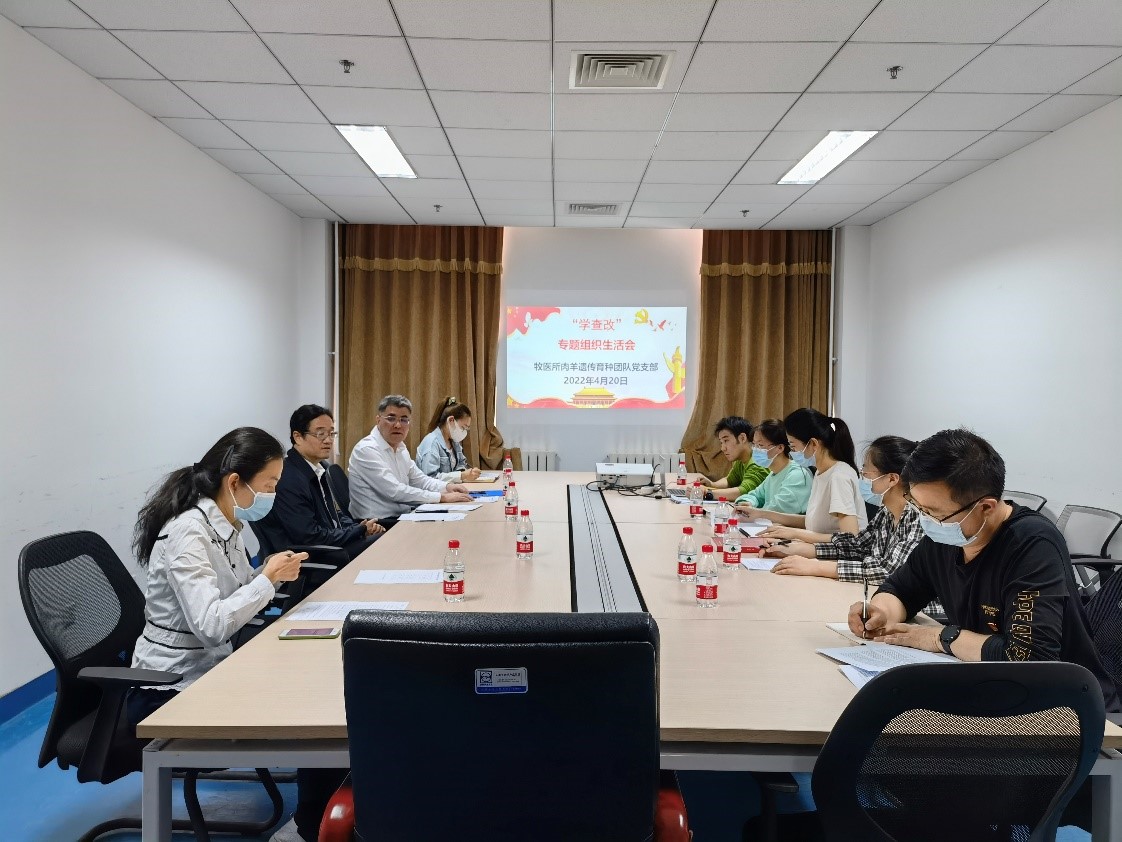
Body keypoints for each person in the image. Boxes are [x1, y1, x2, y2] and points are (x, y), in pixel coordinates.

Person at [126, 427, 344, 842]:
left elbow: (239, 595)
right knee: (319, 713)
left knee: (323, 688)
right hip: (168, 687)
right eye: (269, 485)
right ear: (233, 483)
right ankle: (309, 828)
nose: (273, 495)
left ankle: (322, 812)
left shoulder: (225, 525)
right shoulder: (188, 533)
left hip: (212, 665)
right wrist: (267, 581)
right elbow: (211, 626)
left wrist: (268, 576)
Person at [848, 428, 1118, 712]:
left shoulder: (1032, 545)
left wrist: (940, 638)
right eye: (918, 508)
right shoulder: (947, 533)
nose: (925, 520)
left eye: (933, 512)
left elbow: (1028, 658)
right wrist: (880, 612)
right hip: (987, 685)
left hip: (1059, 707)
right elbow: (903, 589)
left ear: (985, 507)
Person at [769, 436, 943, 616]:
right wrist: (806, 551)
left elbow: (889, 571)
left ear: (891, 479)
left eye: (866, 473)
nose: (862, 478)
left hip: (923, 613)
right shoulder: (887, 511)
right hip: (883, 600)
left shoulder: (921, 518)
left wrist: (816, 567)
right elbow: (858, 545)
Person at [257, 404, 385, 562]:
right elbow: (309, 536)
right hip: (310, 557)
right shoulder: (288, 478)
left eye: (332, 434)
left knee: (383, 537)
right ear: (298, 437)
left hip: (331, 545)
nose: (328, 440)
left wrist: (360, 528)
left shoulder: (320, 468)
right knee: (383, 544)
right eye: (320, 434)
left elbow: (334, 515)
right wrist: (358, 531)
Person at [348, 394, 473, 521]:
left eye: (404, 419)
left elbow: (420, 480)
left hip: (402, 515)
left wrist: (447, 487)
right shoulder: (366, 450)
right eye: (391, 418)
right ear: (378, 420)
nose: (397, 425)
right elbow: (395, 491)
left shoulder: (400, 448)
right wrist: (442, 497)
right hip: (378, 523)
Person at [757, 408, 867, 545]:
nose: (792, 453)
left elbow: (849, 539)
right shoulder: (820, 472)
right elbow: (813, 522)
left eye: (793, 447)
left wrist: (795, 533)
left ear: (814, 444)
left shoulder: (839, 476)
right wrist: (762, 515)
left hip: (840, 559)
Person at [733, 418, 812, 517]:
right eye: (754, 445)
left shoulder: (798, 474)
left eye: (760, 445)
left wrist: (754, 511)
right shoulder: (773, 473)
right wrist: (748, 502)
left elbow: (779, 509)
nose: (756, 450)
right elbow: (755, 495)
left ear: (780, 448)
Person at [416, 397, 483, 483]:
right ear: (451, 420)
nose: (464, 432)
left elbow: (461, 464)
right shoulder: (431, 443)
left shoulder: (454, 442)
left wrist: (468, 473)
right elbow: (430, 479)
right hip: (434, 494)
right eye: (463, 427)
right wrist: (461, 475)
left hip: (451, 489)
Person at [703, 416, 769, 499]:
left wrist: (707, 492)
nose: (723, 448)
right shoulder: (741, 459)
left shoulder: (758, 461)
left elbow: (744, 492)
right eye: (721, 443)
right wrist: (712, 484)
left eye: (726, 441)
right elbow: (729, 481)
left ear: (742, 438)